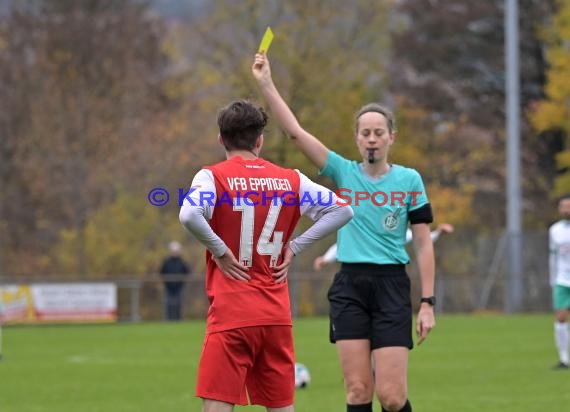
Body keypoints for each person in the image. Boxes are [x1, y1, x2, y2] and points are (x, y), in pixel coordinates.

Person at [253, 53, 435, 412]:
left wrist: (427, 303)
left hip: (392, 287)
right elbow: (295, 133)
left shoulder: (410, 180)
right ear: (356, 138)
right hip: (350, 286)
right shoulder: (343, 172)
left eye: (378, 133)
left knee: (393, 397)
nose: (372, 139)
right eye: (365, 133)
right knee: (357, 391)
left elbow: (425, 245)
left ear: (391, 137)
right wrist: (266, 84)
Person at [179, 99, 353, 412]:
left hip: (231, 315)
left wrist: (219, 249)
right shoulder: (291, 179)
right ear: (260, 139)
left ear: (221, 139)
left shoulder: (212, 177)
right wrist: (296, 246)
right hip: (275, 316)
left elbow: (189, 215)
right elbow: (343, 210)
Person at [314, 223, 454, 271]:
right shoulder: (362, 228)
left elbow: (421, 239)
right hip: (358, 277)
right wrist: (326, 259)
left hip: (386, 278)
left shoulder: (392, 231)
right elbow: (343, 245)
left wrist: (439, 232)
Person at [549, 194, 570, 370]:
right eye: (563, 206)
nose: (566, 210)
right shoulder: (555, 230)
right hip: (563, 280)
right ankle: (564, 359)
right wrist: (552, 279)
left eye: (568, 206)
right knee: (561, 317)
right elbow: (553, 256)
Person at [159, 240, 191, 321]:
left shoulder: (182, 262)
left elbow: (187, 272)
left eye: (176, 251)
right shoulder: (166, 262)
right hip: (168, 288)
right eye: (173, 251)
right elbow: (161, 272)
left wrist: (182, 281)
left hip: (179, 288)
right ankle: (168, 320)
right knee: (168, 305)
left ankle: (178, 320)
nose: (175, 252)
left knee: (179, 305)